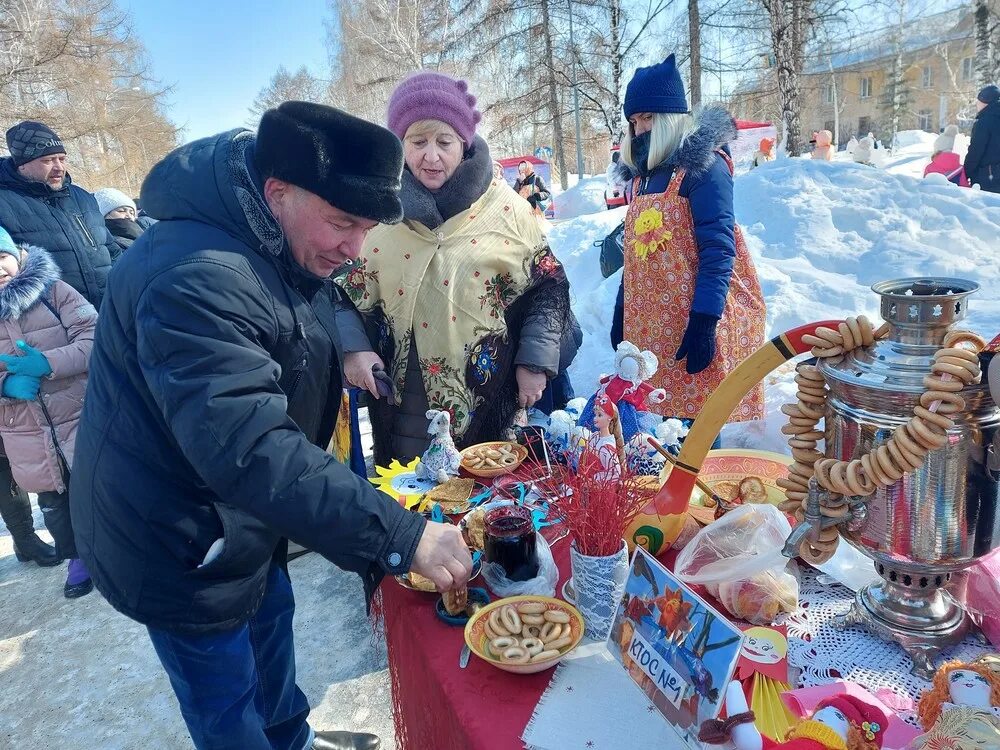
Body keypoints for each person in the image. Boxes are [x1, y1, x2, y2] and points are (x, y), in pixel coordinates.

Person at [70, 102, 472, 750]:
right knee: (228, 703)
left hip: (243, 518)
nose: (354, 248)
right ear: (278, 192)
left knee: (271, 635)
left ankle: (292, 738)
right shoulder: (193, 273)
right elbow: (248, 445)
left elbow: (281, 325)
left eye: (367, 227)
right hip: (179, 537)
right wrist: (397, 534)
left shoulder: (265, 233)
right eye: (344, 223)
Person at [336, 71, 578, 464]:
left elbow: (548, 287)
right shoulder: (378, 212)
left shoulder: (505, 210)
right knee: (412, 506)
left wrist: (534, 362)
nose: (431, 156)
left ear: (463, 145)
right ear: (400, 145)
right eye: (418, 142)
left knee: (486, 510)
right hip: (401, 409)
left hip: (491, 408)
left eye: (444, 142)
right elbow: (340, 290)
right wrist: (354, 350)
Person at [610, 54, 765, 426]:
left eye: (648, 117)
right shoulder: (642, 178)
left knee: (698, 428)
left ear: (670, 117)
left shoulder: (704, 168)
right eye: (634, 121)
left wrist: (704, 322)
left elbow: (718, 249)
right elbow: (636, 255)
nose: (640, 129)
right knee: (657, 425)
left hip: (695, 313)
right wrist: (621, 308)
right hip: (653, 322)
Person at [0, 121, 118, 563]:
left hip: (100, 329)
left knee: (118, 440)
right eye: (47, 160)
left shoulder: (83, 199)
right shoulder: (4, 202)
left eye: (62, 158)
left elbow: (108, 251)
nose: (58, 167)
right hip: (39, 333)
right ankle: (77, 553)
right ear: (22, 163)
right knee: (57, 472)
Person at [0, 226, 96, 597]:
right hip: (24, 430)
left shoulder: (54, 293)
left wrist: (50, 362)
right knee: (55, 502)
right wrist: (5, 385)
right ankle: (77, 558)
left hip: (81, 413)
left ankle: (125, 549)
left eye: (2, 257)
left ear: (18, 255)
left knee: (103, 486)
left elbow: (95, 338)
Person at [965, 84, 1000, 193]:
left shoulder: (984, 122)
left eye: (978, 101)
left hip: (989, 177)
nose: (977, 104)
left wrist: (966, 172)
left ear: (985, 102)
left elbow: (976, 151)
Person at [95, 187, 147, 252]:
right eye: (121, 211)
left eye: (132, 212)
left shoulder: (144, 235)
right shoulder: (107, 244)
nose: (129, 215)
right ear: (104, 214)